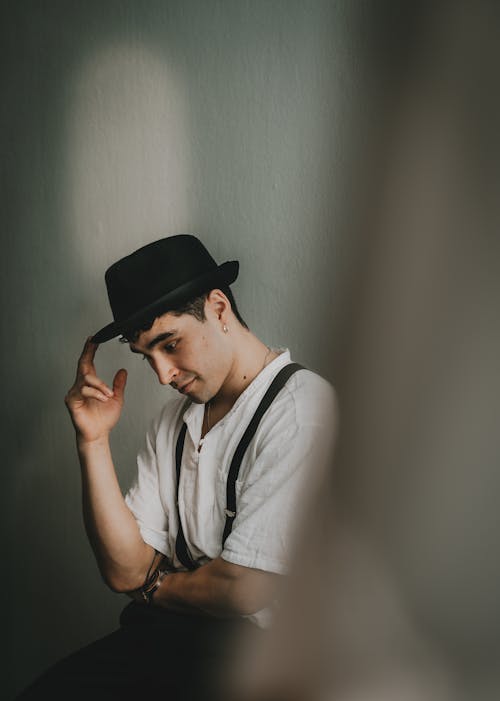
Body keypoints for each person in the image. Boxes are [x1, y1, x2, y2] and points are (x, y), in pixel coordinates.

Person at [18, 234, 335, 700]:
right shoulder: (173, 423)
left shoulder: (301, 410)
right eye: (147, 356)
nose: (163, 374)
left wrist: (156, 585)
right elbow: (124, 572)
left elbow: (244, 590)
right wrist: (93, 440)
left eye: (170, 344)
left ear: (219, 309)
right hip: (163, 640)